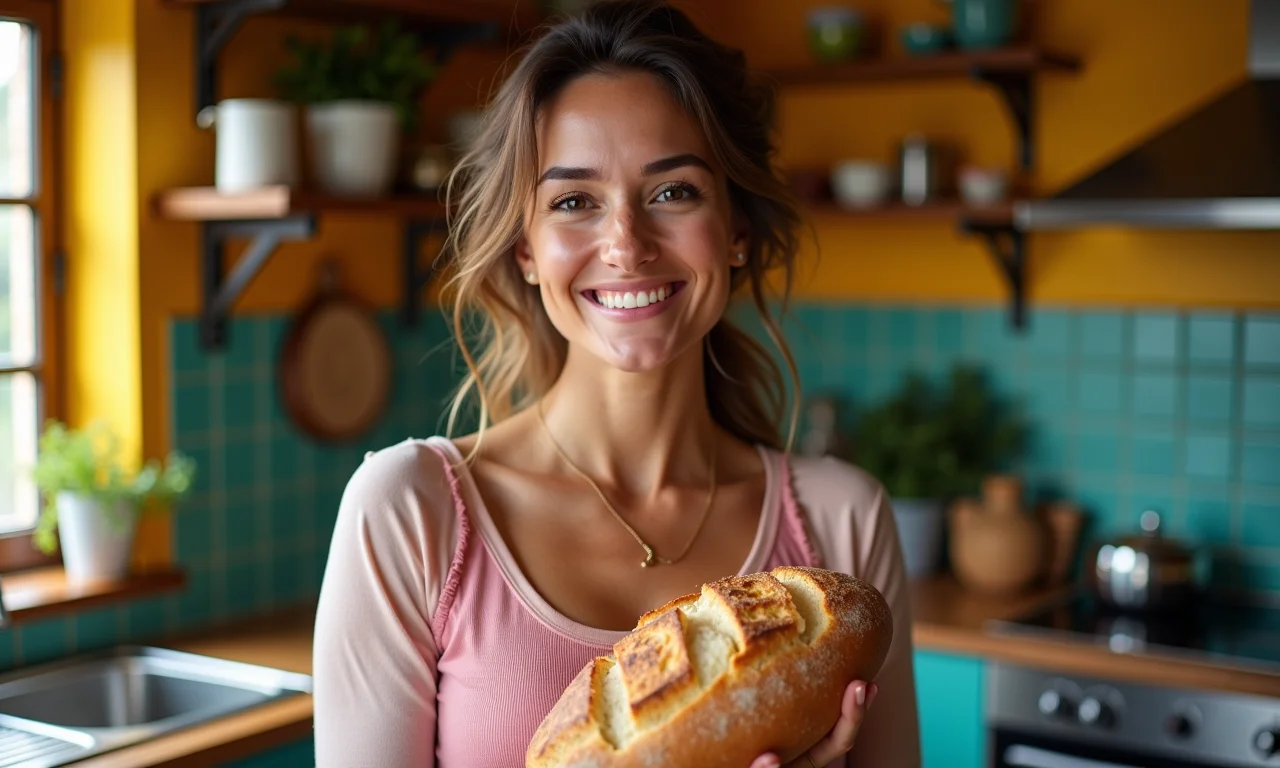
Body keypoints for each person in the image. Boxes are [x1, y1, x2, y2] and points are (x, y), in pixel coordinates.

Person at [312, 1, 922, 766]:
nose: (626, 244)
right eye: (573, 202)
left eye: (674, 192)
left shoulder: (844, 523)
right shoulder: (412, 515)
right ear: (526, 249)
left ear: (736, 230)